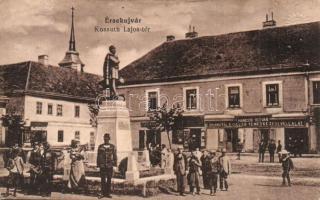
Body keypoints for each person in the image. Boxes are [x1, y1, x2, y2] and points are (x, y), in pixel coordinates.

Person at [97, 133, 117, 198]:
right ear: (103, 139)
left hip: (109, 165)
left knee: (109, 179)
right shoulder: (100, 146)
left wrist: (115, 165)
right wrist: (98, 165)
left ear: (109, 139)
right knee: (103, 179)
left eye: (107, 138)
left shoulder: (112, 147)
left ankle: (107, 193)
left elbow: (115, 156)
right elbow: (98, 156)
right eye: (105, 138)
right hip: (102, 165)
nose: (106, 140)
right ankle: (103, 193)